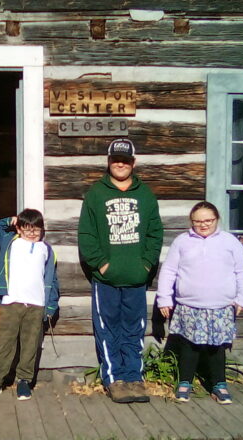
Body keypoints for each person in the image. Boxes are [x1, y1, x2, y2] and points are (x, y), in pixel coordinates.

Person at [77, 138, 164, 404]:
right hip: (106, 279)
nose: (120, 164)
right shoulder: (95, 194)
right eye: (116, 159)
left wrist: (146, 264)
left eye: (125, 160)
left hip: (137, 278)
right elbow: (86, 236)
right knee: (107, 328)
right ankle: (115, 378)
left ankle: (134, 378)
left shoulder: (145, 195)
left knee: (133, 328)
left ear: (133, 163)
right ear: (109, 161)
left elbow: (155, 233)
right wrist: (102, 264)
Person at [156, 201, 243, 405]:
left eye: (208, 220)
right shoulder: (182, 241)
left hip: (220, 306)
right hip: (188, 306)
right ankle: (185, 382)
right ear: (191, 222)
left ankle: (219, 384)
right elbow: (169, 271)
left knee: (216, 347)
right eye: (198, 221)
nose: (203, 225)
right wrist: (164, 298)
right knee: (189, 346)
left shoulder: (229, 242)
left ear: (216, 219)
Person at [0, 209, 60, 401]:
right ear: (19, 229)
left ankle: (24, 380)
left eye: (36, 229)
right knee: (5, 343)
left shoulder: (46, 250)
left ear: (42, 230)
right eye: (27, 228)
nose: (32, 233)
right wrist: (11, 219)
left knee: (30, 344)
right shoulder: (11, 242)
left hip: (36, 304)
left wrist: (50, 306)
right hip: (12, 302)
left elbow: (52, 280)